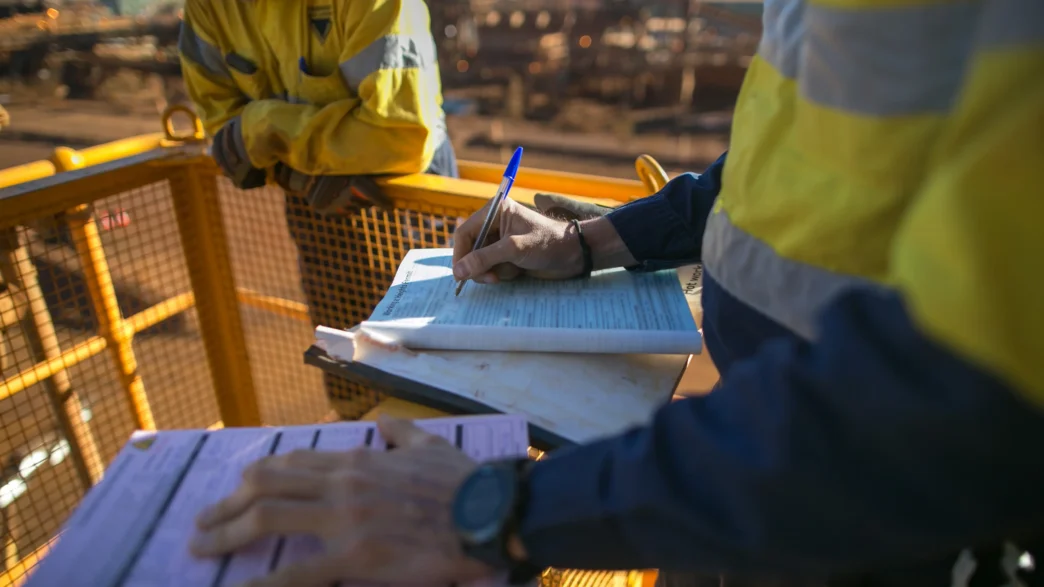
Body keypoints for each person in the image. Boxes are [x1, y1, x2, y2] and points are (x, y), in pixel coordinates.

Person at [186, 1, 1044, 586]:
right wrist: (586, 243)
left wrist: (499, 506)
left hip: (880, 530)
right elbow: (766, 173)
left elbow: (953, 406)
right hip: (736, 481)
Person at [177, 0, 458, 419]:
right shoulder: (210, 8)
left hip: (407, 205)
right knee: (348, 373)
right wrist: (308, 173)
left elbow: (401, 135)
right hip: (313, 209)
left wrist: (263, 129)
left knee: (437, 379)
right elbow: (223, 132)